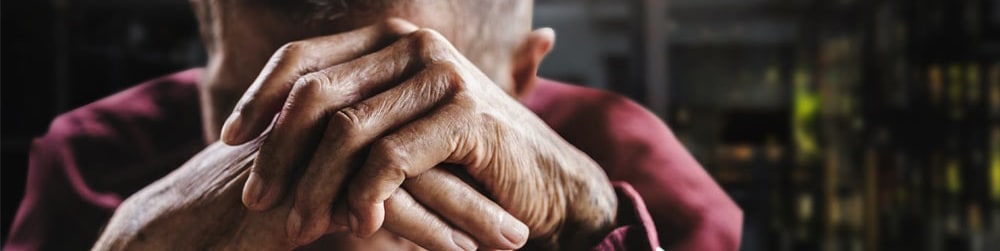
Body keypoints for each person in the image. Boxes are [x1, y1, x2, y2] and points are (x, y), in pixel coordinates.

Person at [5, 0, 743, 250]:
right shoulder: (93, 162)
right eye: (258, 118)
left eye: (410, 110)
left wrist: (592, 220)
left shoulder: (624, 166)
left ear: (517, 79)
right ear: (209, 36)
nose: (324, 217)